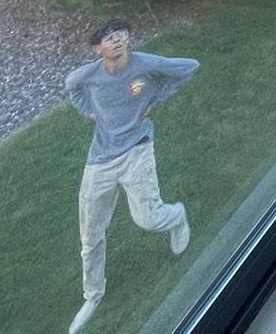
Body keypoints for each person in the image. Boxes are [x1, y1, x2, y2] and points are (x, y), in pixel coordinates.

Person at [63, 17, 198, 332]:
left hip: (137, 150)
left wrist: (157, 97)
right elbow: (72, 85)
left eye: (120, 34)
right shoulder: (89, 74)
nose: (116, 40)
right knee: (90, 234)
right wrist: (87, 110)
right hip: (100, 159)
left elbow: (189, 66)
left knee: (148, 219)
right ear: (98, 49)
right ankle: (93, 295)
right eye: (108, 38)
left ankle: (177, 216)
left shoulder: (145, 63)